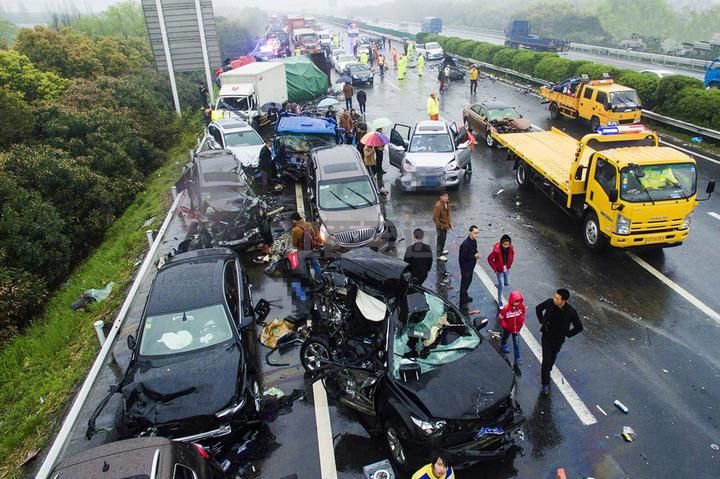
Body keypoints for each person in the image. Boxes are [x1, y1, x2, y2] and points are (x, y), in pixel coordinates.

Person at [536, 289, 584, 395]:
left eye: (557, 298)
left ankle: (548, 370)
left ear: (564, 301)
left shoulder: (571, 312)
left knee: (552, 358)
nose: (554, 299)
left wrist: (567, 334)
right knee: (546, 361)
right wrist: (542, 321)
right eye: (555, 296)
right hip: (547, 337)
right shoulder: (549, 303)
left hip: (558, 340)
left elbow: (579, 327)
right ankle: (545, 383)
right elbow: (538, 308)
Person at [499, 290, 526, 374]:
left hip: (516, 329)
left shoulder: (521, 307)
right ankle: (503, 344)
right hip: (508, 328)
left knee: (516, 344)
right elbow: (501, 318)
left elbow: (523, 314)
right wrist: (505, 326)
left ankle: (517, 359)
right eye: (516, 301)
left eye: (518, 301)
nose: (517, 303)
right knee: (505, 336)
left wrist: (520, 323)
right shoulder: (506, 309)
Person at [487, 234, 515, 307]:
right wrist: (494, 268)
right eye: (505, 244)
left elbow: (512, 255)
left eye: (508, 244)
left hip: (507, 269)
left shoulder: (511, 248)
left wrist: (510, 264)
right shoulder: (496, 251)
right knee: (502, 286)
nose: (506, 246)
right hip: (499, 270)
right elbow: (489, 259)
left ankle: (499, 285)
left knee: (507, 283)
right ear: (501, 243)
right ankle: (500, 301)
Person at [458, 225, 480, 305]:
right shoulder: (465, 244)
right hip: (466, 268)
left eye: (477, 233)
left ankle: (465, 296)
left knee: (468, 282)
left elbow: (474, 250)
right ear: (470, 232)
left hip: (471, 266)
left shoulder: (474, 241)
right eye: (475, 233)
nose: (476, 235)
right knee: (464, 284)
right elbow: (463, 257)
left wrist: (476, 253)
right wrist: (474, 256)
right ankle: (462, 301)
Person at [432, 192, 452, 261]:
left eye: (447, 196)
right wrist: (441, 226)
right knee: (440, 240)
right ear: (440, 197)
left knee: (444, 239)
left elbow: (448, 214)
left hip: (445, 225)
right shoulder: (438, 206)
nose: (446, 197)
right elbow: (435, 218)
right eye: (444, 196)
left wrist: (449, 224)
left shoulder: (447, 203)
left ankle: (441, 250)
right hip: (440, 227)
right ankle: (439, 255)